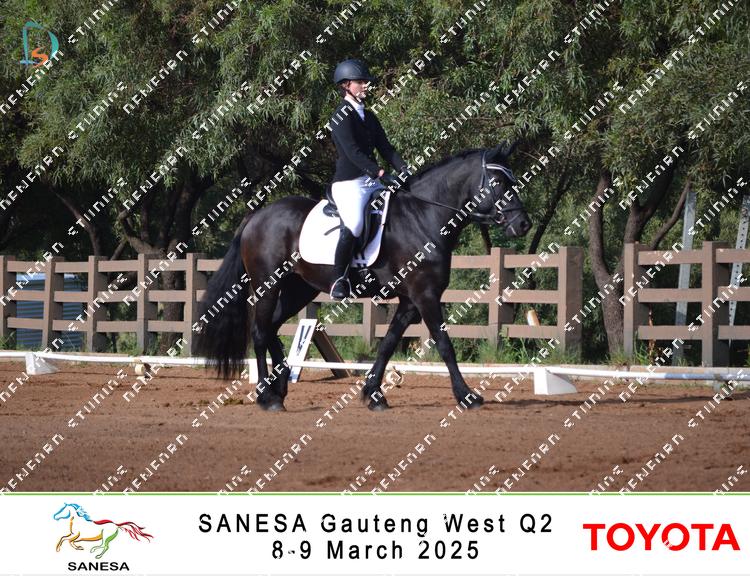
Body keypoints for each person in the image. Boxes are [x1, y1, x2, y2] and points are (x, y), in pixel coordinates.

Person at [328, 58, 410, 300]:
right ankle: (339, 279)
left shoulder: (369, 116)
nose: (365, 85)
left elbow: (386, 148)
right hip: (349, 183)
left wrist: (405, 170)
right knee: (354, 224)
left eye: (365, 81)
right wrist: (380, 173)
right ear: (346, 85)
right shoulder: (340, 116)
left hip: (371, 181)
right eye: (360, 82)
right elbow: (352, 152)